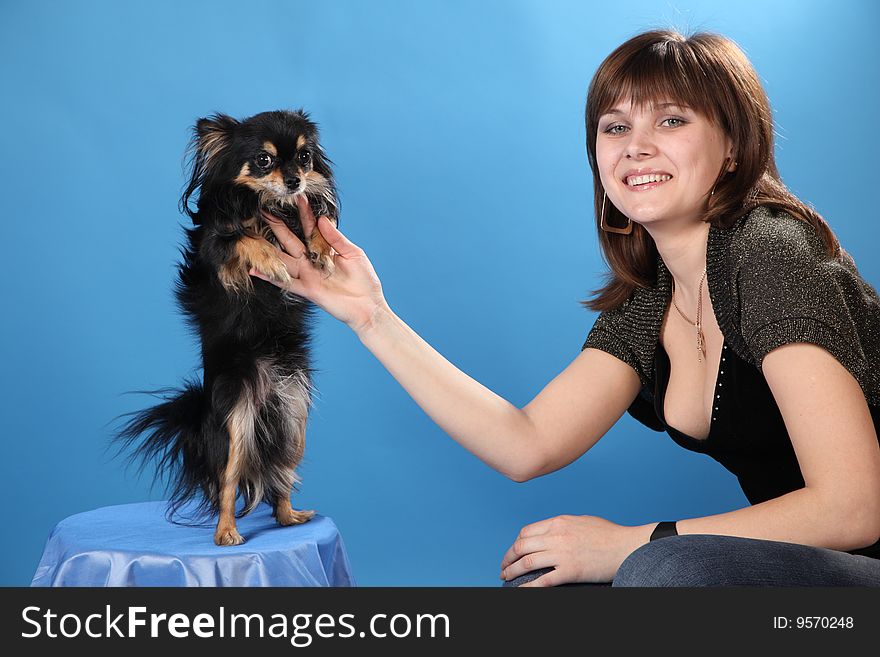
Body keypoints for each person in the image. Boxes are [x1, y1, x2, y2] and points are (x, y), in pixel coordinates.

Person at [251, 29, 880, 586]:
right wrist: (371, 315)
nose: (636, 147)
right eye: (615, 127)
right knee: (553, 573)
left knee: (665, 568)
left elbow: (853, 506)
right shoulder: (656, 293)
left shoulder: (770, 252)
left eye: (671, 121)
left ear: (735, 147)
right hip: (807, 575)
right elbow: (527, 444)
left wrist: (631, 544)